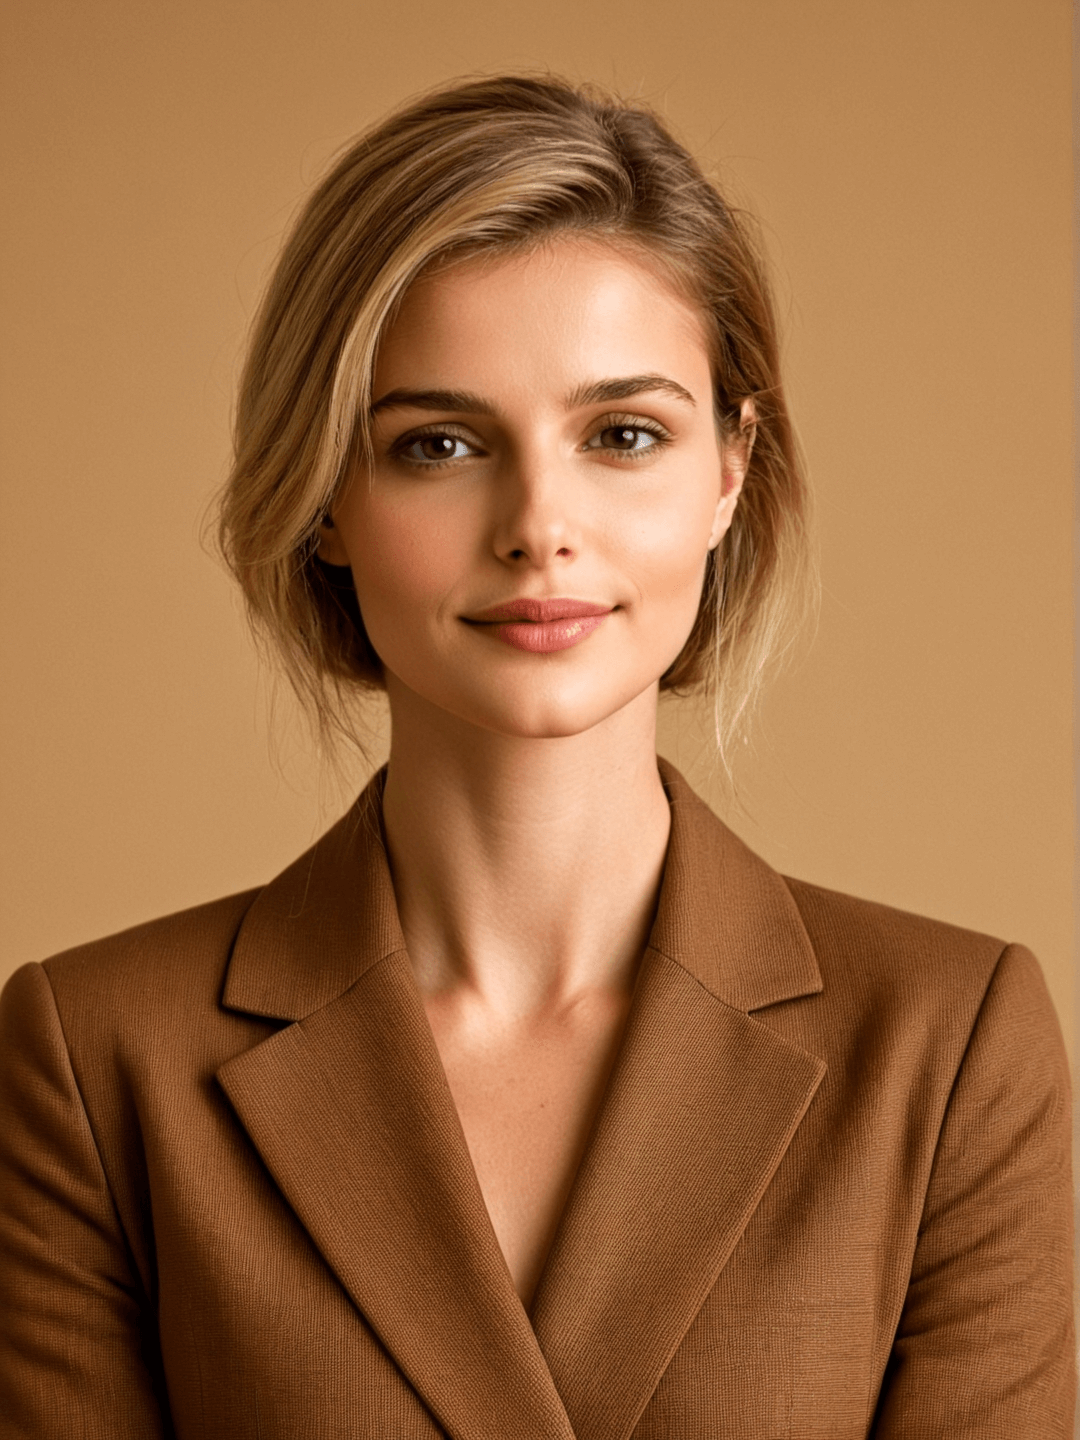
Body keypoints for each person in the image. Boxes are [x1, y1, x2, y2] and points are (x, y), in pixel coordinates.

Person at [0, 73, 1073, 1439]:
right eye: (439, 444)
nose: (538, 525)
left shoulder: (946, 1044)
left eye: (622, 434)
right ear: (327, 491)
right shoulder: (99, 1063)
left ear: (729, 472)